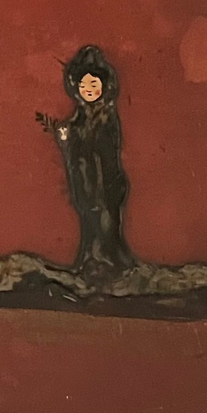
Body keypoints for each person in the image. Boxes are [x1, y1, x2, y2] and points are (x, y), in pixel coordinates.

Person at [35, 45, 136, 279]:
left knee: (105, 220)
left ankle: (110, 261)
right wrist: (65, 137)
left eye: (93, 84)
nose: (89, 89)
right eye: (84, 85)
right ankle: (91, 260)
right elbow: (74, 141)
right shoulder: (80, 117)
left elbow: (106, 150)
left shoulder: (106, 117)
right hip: (85, 180)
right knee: (90, 221)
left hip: (106, 181)